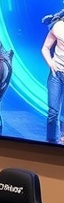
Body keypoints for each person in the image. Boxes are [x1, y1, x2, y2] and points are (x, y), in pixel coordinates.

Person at [41, 15, 64, 144]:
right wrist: (51, 63)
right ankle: (50, 143)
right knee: (53, 112)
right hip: (56, 74)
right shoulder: (58, 26)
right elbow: (45, 47)